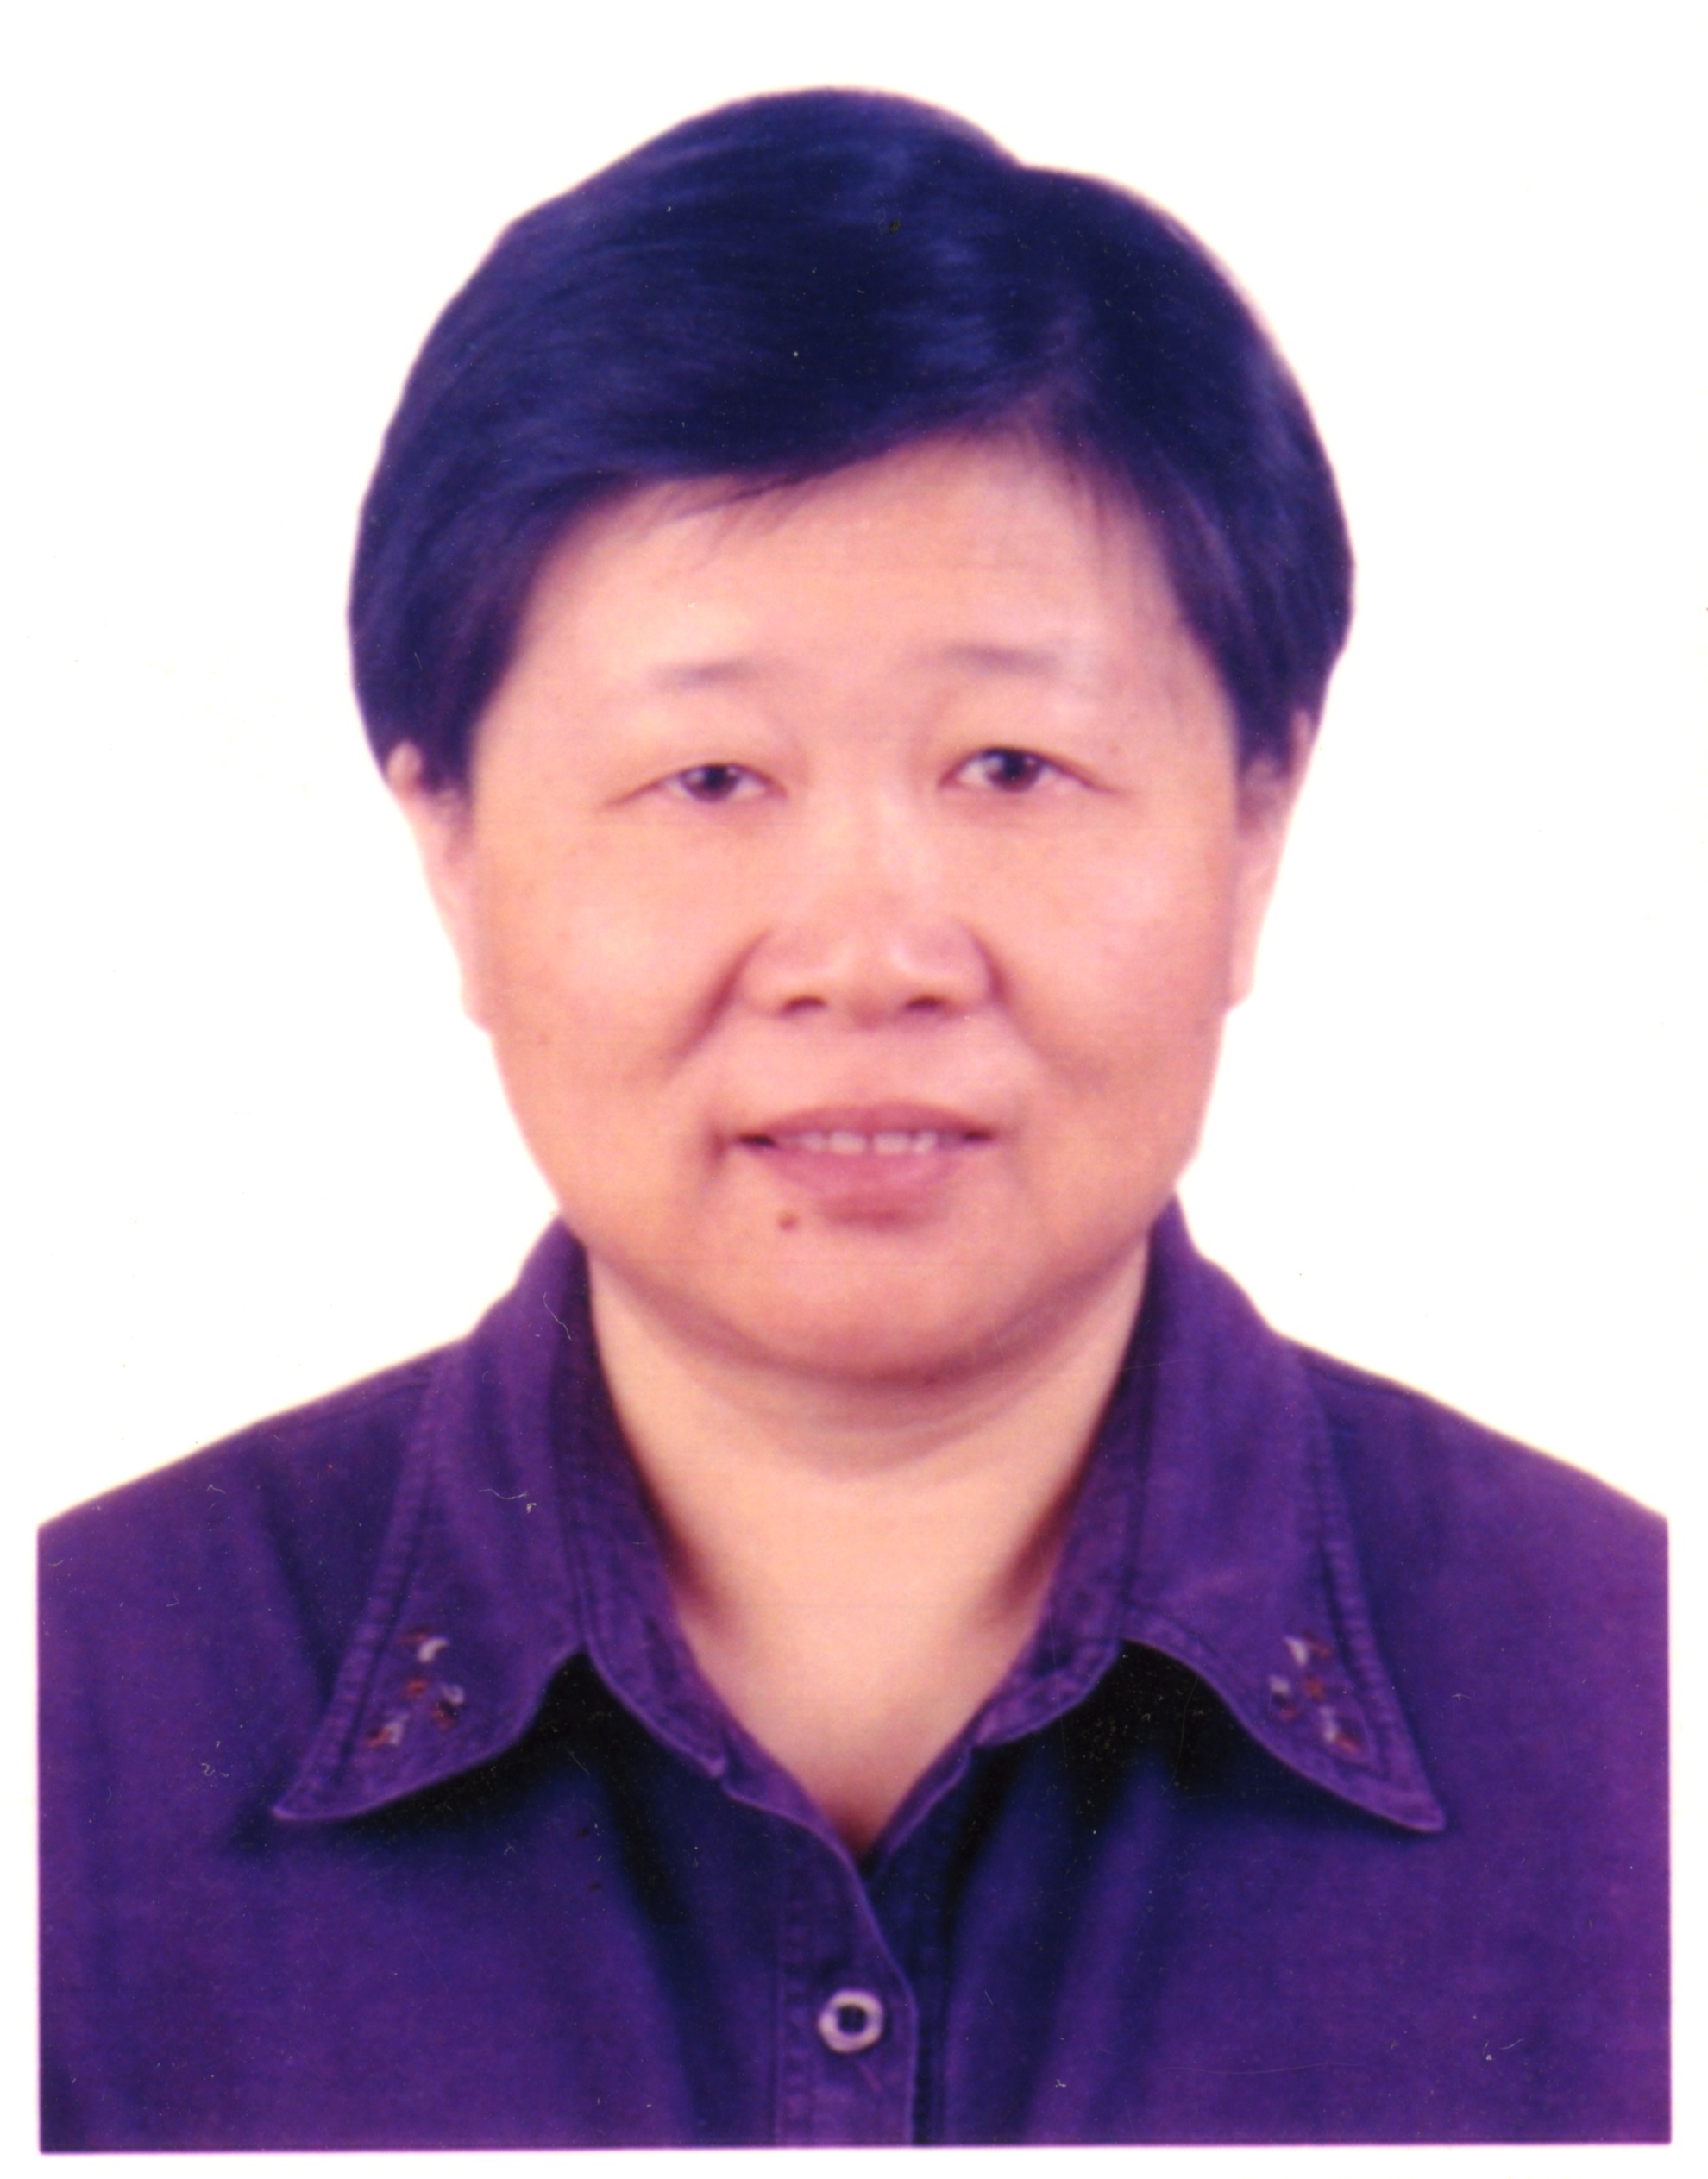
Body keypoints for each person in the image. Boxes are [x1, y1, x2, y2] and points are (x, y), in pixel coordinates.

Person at [38, 87, 1667, 2150]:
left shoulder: (1636, 1707)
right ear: (447, 845)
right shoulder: (75, 1719)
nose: (872, 955)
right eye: (711, 779)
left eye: (1011, 767)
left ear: (1258, 822)